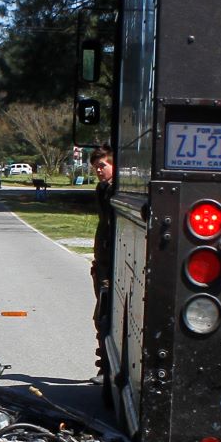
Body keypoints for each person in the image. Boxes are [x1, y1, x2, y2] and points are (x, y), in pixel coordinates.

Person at [89, 145, 117, 379]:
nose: (98, 170)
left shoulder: (117, 192)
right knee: (102, 317)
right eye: (96, 167)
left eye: (102, 166)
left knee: (105, 316)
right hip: (103, 264)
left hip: (114, 265)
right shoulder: (102, 189)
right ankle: (104, 365)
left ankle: (107, 369)